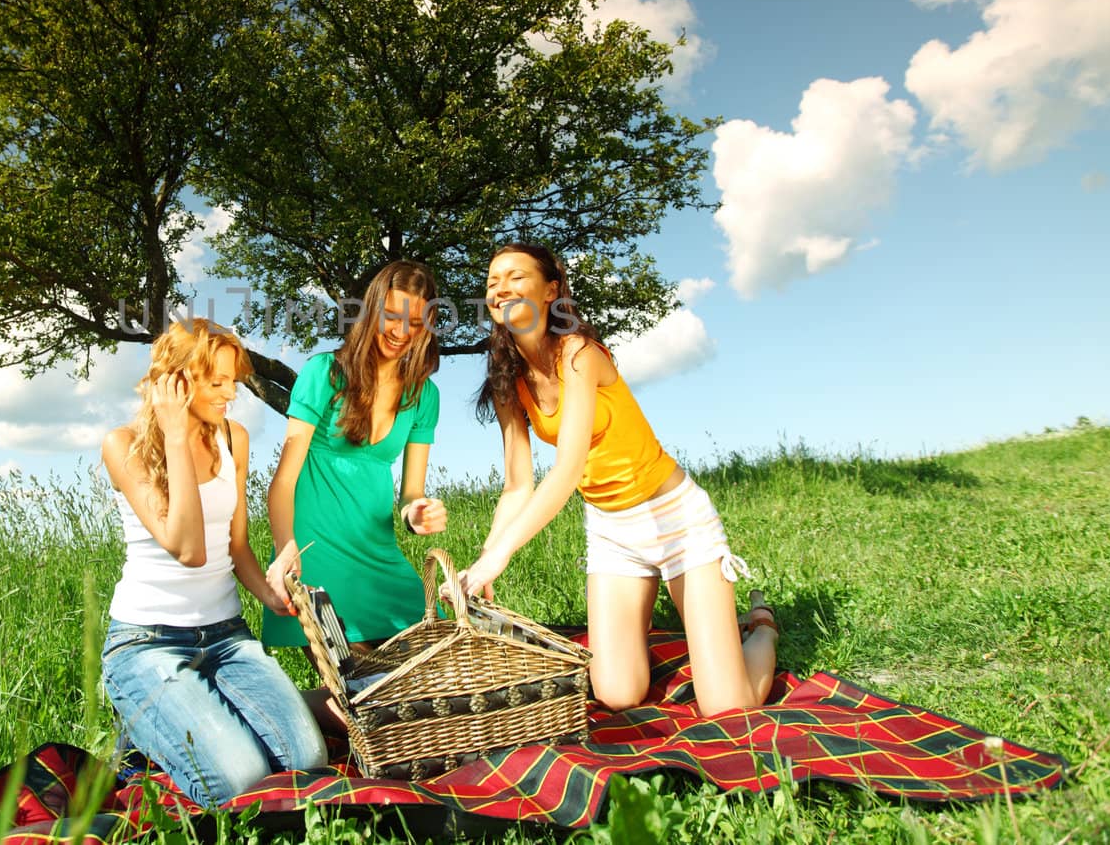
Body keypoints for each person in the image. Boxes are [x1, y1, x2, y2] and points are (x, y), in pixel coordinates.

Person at [459, 243, 779, 717]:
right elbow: (517, 486)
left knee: (727, 707)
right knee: (616, 694)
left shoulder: (579, 353)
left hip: (677, 521)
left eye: (514, 277)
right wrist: (483, 560)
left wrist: (502, 555)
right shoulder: (509, 378)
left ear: (551, 291)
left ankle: (763, 625)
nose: (499, 288)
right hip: (613, 531)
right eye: (491, 281)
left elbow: (567, 468)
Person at [99, 319, 328, 808]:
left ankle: (186, 717)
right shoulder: (123, 446)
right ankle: (140, 733)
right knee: (239, 781)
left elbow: (236, 545)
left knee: (306, 760)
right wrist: (176, 437)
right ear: (176, 381)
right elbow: (188, 548)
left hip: (225, 635)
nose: (231, 393)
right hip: (146, 643)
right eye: (216, 382)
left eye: (233, 380)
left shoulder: (234, 437)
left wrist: (272, 593)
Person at [262, 261, 449, 654]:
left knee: (437, 670)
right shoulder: (324, 374)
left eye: (415, 322)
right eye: (391, 316)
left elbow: (412, 493)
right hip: (317, 559)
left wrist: (416, 514)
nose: (401, 332)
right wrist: (285, 550)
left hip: (380, 559)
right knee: (362, 695)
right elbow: (283, 481)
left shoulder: (423, 396)